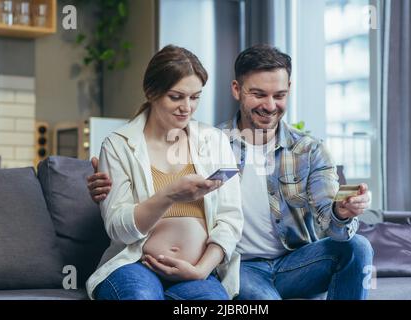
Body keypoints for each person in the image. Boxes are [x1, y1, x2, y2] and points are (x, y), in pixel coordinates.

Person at [88, 44, 373, 300]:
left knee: (357, 247)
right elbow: (121, 215)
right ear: (237, 90)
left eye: (280, 95)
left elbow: (328, 217)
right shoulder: (216, 139)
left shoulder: (308, 151)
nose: (270, 105)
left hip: (293, 262)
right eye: (259, 94)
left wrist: (342, 212)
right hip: (238, 265)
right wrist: (152, 192)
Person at [85, 45, 244, 300]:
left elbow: (230, 219)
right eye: (176, 96)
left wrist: (200, 271)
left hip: (197, 271)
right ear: (152, 92)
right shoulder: (118, 145)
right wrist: (169, 195)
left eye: (195, 97)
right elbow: (118, 229)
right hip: (135, 265)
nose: (187, 107)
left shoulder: (214, 141)